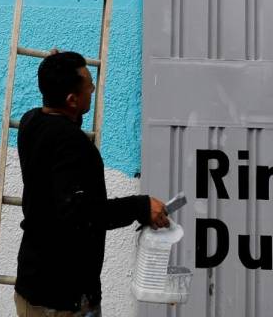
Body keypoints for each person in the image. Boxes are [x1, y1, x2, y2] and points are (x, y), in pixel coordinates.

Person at [14, 50, 170, 317]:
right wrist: (140, 206)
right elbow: (82, 214)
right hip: (62, 298)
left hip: (32, 285)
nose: (93, 88)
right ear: (72, 100)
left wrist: (55, 65)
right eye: (88, 85)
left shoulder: (31, 123)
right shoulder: (73, 145)